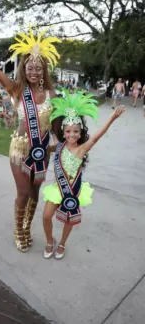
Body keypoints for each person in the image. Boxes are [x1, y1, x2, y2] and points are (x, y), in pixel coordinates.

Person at [0, 19, 61, 252]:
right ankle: (19, 230)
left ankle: (27, 227)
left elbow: (57, 122)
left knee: (36, 193)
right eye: (30, 68)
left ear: (44, 70)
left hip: (43, 150)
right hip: (20, 149)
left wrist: (58, 139)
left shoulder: (51, 93)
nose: (34, 72)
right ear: (23, 70)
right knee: (24, 193)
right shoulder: (17, 89)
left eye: (38, 68)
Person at [42, 90, 125, 259]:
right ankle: (50, 240)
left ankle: (63, 243)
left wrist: (112, 118)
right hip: (57, 188)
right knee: (46, 216)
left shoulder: (82, 148)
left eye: (75, 132)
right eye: (68, 131)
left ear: (80, 133)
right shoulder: (59, 146)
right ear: (63, 133)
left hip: (72, 190)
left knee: (68, 219)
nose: (72, 135)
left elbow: (98, 135)